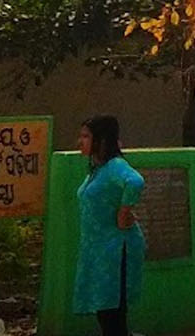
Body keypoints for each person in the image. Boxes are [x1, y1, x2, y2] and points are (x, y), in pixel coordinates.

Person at [73, 116, 146, 336]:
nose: (80, 142)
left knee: (111, 313)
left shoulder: (115, 166)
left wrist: (124, 211)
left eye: (86, 136)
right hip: (98, 250)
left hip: (115, 250)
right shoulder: (98, 169)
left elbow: (135, 181)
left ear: (101, 140)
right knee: (105, 311)